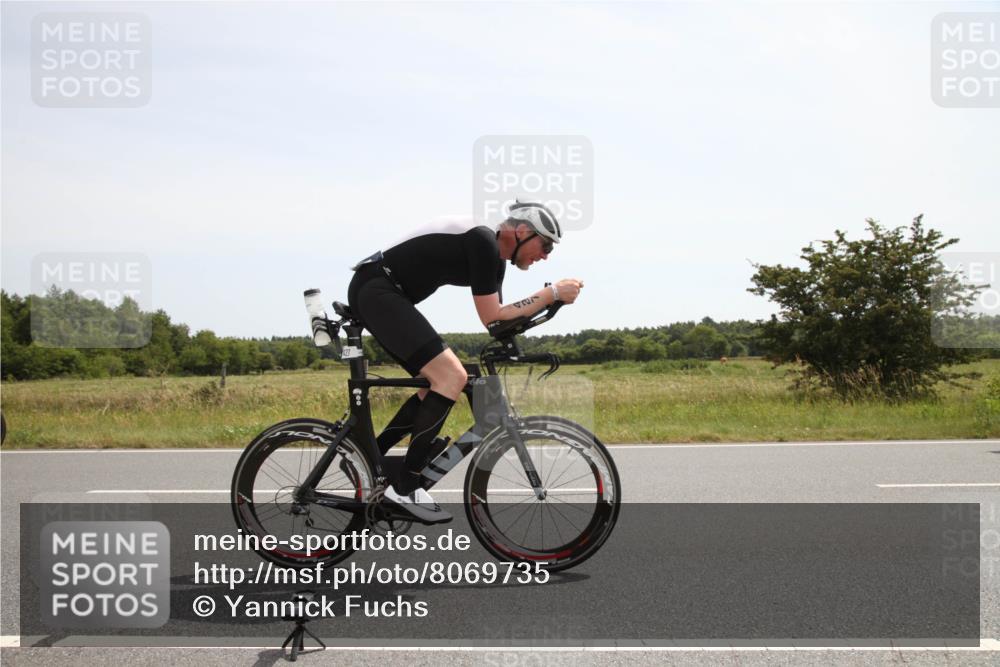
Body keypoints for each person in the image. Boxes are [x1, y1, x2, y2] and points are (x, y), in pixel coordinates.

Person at [346, 200, 583, 523]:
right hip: (378, 289)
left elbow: (498, 323)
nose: (545, 255)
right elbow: (493, 316)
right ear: (523, 231)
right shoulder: (483, 241)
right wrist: (551, 293)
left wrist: (542, 313)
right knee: (450, 377)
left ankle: (369, 456)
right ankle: (405, 486)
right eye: (545, 245)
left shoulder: (495, 261)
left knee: (448, 379)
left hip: (385, 294)